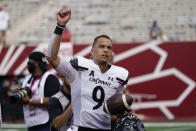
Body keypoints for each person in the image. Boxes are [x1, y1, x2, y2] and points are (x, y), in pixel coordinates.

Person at [46, 8, 129, 131]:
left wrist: (121, 115)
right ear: (92, 51)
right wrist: (60, 26)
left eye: (109, 47)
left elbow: (113, 110)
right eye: (101, 46)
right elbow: (51, 58)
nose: (106, 50)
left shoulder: (120, 75)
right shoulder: (79, 67)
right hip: (80, 127)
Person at [18, 51, 60, 131]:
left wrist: (30, 101)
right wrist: (20, 99)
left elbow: (52, 101)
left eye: (30, 62)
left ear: (37, 63)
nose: (28, 64)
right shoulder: (27, 79)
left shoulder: (50, 78)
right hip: (31, 123)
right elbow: (23, 100)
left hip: (46, 123)